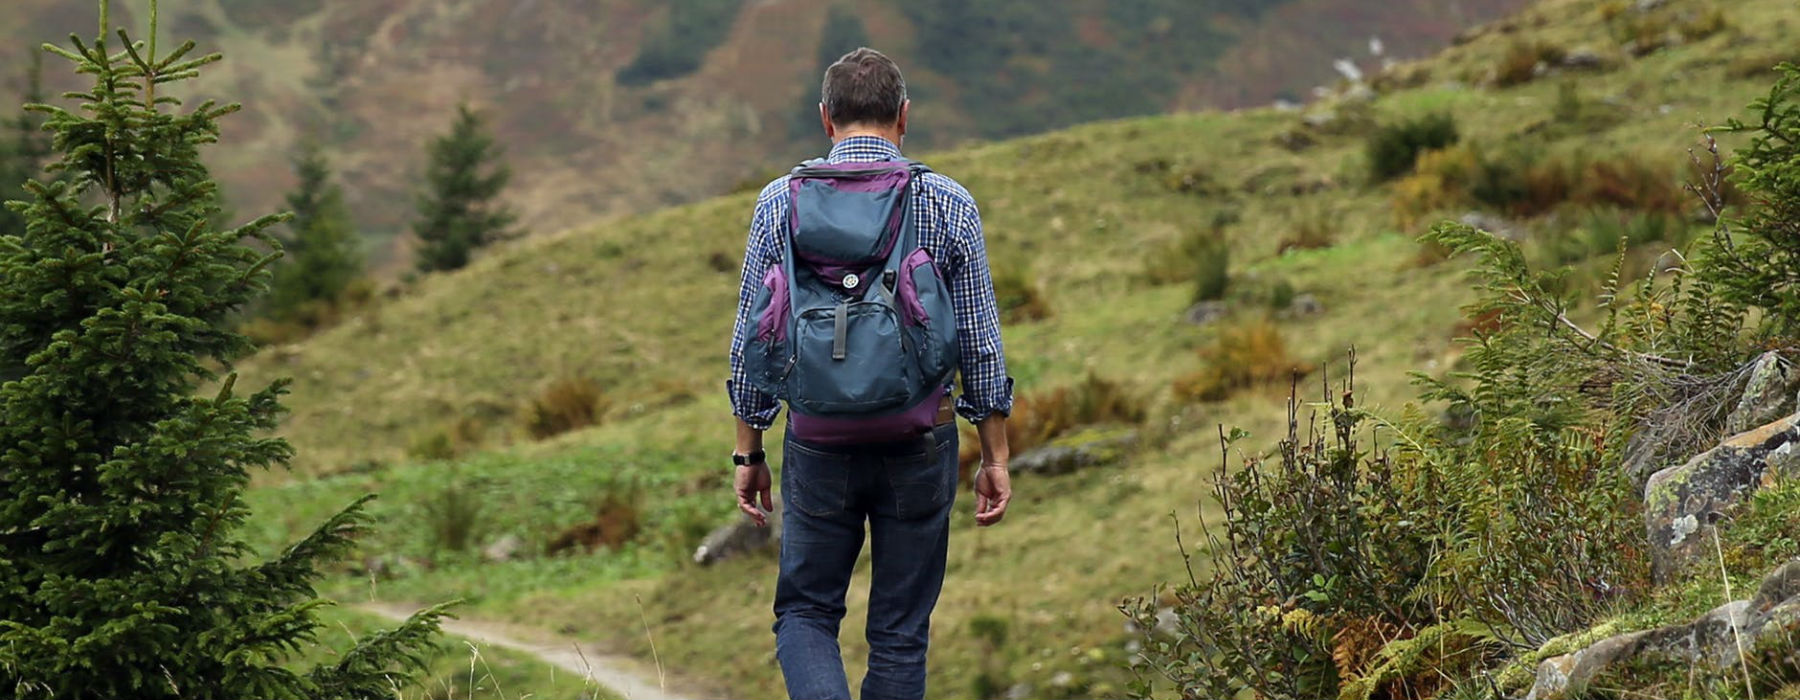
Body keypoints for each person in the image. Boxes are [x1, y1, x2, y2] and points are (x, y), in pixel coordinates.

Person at [726, 47, 1015, 700]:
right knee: (900, 631)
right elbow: (980, 343)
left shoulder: (780, 203)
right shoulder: (947, 202)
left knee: (805, 612)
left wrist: (749, 453)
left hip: (819, 440)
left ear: (826, 119)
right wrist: (995, 453)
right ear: (903, 117)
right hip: (920, 438)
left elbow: (754, 338)